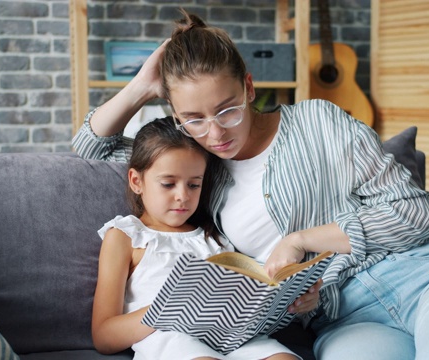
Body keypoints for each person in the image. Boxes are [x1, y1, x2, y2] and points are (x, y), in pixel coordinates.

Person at [75, 10, 429, 360]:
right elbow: (90, 148)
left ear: (249, 87)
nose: (215, 133)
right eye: (194, 118)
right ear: (176, 117)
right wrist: (139, 86)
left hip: (426, 276)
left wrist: (303, 240)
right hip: (342, 320)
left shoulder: (318, 120)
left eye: (227, 109)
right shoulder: (198, 172)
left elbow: (415, 213)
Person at [91, 116, 301, 360]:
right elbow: (103, 336)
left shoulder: (215, 238)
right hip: (171, 339)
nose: (183, 196)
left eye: (194, 185)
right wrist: (171, 308)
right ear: (137, 181)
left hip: (228, 338)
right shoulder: (126, 236)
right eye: (168, 184)